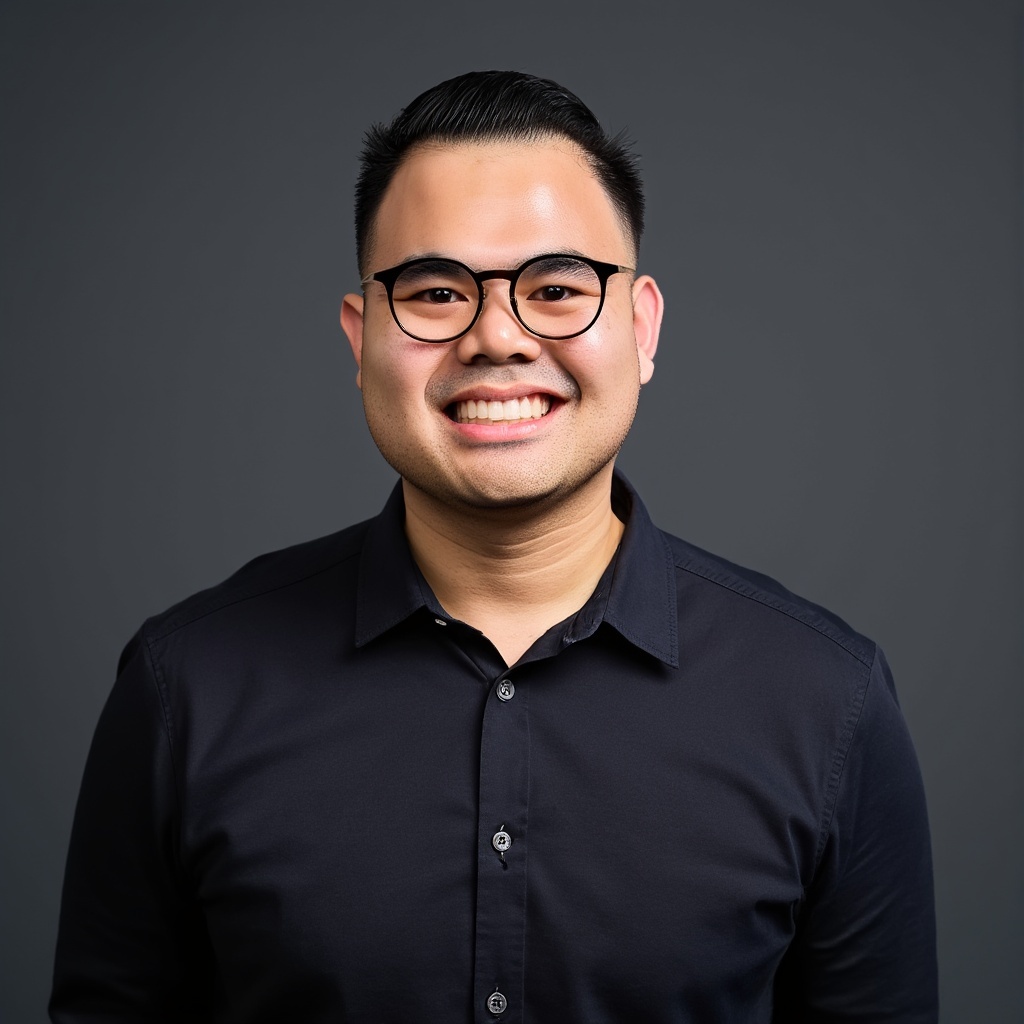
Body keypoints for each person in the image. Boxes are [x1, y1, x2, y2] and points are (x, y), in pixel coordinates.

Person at [50, 71, 938, 1023]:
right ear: (360, 341)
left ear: (640, 328)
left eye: (557, 288)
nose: (497, 337)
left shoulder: (827, 700)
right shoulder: (185, 686)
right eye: (435, 292)